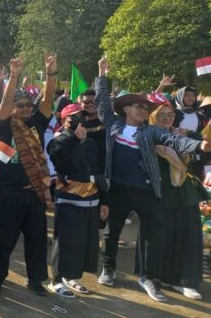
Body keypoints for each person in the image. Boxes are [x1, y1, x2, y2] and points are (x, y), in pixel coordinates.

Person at [94, 58, 210, 302]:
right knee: (112, 232)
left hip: (146, 190)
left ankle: (149, 278)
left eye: (147, 110)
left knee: (153, 235)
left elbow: (174, 141)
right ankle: (109, 268)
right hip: (117, 189)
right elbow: (102, 102)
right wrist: (102, 74)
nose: (145, 112)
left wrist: (198, 144)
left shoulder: (151, 131)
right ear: (126, 109)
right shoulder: (113, 125)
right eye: (140, 107)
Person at [0, 56, 57, 297]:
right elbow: (5, 102)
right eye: (21, 104)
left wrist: (51, 73)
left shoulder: (36, 122)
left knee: (37, 239)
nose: (26, 108)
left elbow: (47, 100)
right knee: (3, 239)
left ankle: (36, 280)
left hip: (34, 192)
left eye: (28, 104)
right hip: (9, 192)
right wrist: (14, 76)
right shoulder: (5, 124)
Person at [140, 94, 205, 300]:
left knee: (188, 235)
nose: (167, 118)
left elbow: (202, 146)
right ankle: (156, 277)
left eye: (170, 115)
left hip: (184, 192)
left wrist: (201, 144)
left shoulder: (184, 134)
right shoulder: (147, 136)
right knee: (161, 237)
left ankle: (185, 280)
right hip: (160, 192)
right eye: (162, 116)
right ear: (152, 118)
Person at [46, 103, 107, 298]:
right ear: (64, 120)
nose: (79, 120)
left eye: (81, 116)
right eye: (73, 117)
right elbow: (56, 157)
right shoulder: (60, 139)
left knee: (82, 242)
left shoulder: (89, 142)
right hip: (69, 200)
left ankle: (71, 276)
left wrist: (103, 200)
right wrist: (73, 138)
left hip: (91, 200)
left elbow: (96, 169)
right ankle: (55, 280)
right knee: (64, 240)